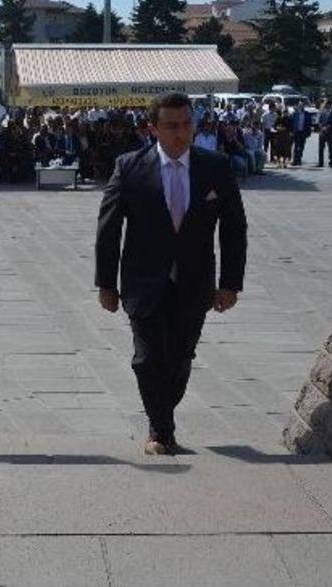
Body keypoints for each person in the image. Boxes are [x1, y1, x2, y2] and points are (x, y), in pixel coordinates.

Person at [95, 92, 247, 455]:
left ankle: (163, 417)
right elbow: (109, 228)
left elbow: (234, 228)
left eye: (187, 124)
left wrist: (230, 283)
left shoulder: (216, 167)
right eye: (172, 126)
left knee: (180, 358)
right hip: (143, 282)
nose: (181, 133)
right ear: (153, 129)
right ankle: (160, 430)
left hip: (195, 283)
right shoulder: (129, 168)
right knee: (147, 359)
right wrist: (106, 284)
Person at [317, 101, 332, 168]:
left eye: (326, 104)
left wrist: (329, 126)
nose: (325, 106)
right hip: (322, 132)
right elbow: (319, 120)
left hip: (331, 132)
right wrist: (321, 127)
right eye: (324, 104)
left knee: (330, 148)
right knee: (321, 148)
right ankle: (320, 162)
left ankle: (331, 162)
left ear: (329, 105)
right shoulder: (322, 111)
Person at [290, 101, 312, 166]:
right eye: (299, 105)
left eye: (302, 105)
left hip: (303, 132)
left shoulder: (307, 114)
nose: (301, 107)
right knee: (296, 147)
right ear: (298, 106)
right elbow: (292, 123)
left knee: (301, 147)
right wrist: (291, 131)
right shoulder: (295, 113)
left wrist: (308, 133)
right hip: (296, 132)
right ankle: (295, 160)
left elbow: (309, 124)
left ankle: (299, 159)